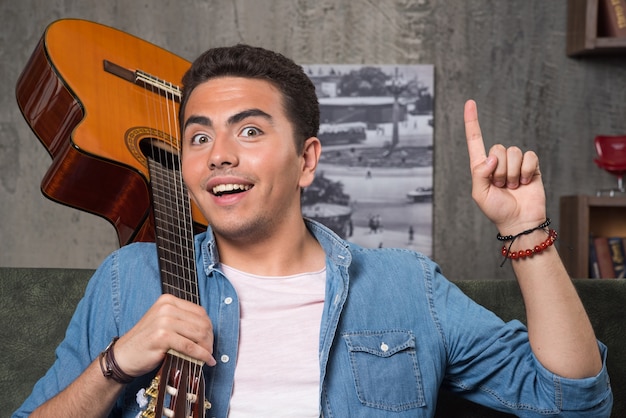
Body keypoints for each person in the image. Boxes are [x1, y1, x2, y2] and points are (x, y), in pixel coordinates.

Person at [14, 44, 612, 417]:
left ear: (306, 160)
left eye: (249, 131)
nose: (218, 154)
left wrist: (526, 230)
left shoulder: (408, 288)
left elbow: (574, 401)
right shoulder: (130, 279)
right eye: (198, 137)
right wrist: (117, 363)